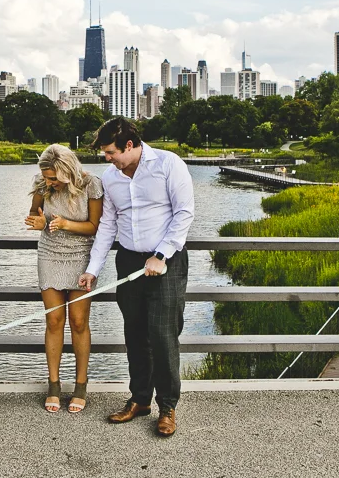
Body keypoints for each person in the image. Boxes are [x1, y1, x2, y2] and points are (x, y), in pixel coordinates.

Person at [78, 117, 194, 437]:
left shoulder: (169, 164)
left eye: (110, 152)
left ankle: (167, 407)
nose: (107, 158)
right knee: (135, 334)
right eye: (104, 153)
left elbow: (184, 213)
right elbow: (107, 225)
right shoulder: (111, 177)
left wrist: (161, 254)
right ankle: (140, 399)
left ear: (129, 146)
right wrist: (92, 268)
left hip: (164, 262)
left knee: (163, 337)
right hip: (128, 262)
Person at [25, 144, 103, 414]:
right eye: (46, 177)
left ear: (68, 172)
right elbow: (36, 216)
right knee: (54, 319)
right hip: (49, 255)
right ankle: (54, 385)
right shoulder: (42, 183)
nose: (49, 182)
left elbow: (94, 226)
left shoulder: (91, 184)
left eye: (54, 178)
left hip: (82, 256)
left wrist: (66, 224)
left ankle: (81, 385)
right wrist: (39, 223)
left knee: (79, 322)